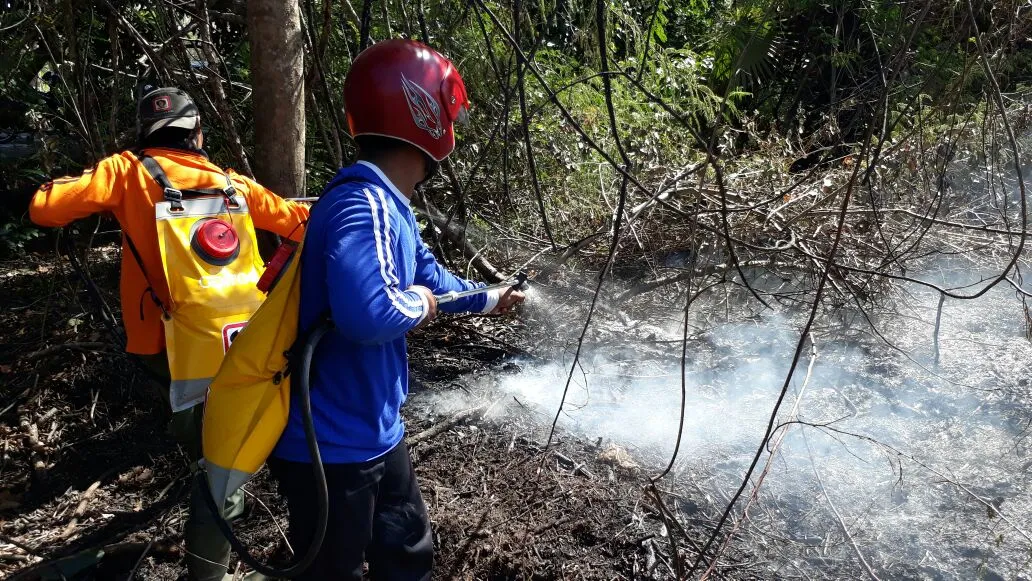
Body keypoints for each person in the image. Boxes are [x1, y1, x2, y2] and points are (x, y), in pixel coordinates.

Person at [267, 39, 525, 580]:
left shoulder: (389, 205)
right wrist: (422, 304)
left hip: (374, 431)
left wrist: (490, 297)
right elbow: (369, 313)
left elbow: (429, 277)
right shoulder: (363, 204)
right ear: (424, 115)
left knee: (407, 553)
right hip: (331, 446)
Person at [28, 86, 309, 581]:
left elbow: (44, 207)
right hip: (241, 337)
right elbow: (300, 224)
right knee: (223, 441)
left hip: (162, 343)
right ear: (197, 133)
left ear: (146, 133)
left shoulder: (125, 172)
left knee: (211, 460)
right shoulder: (232, 183)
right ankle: (226, 504)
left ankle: (209, 557)